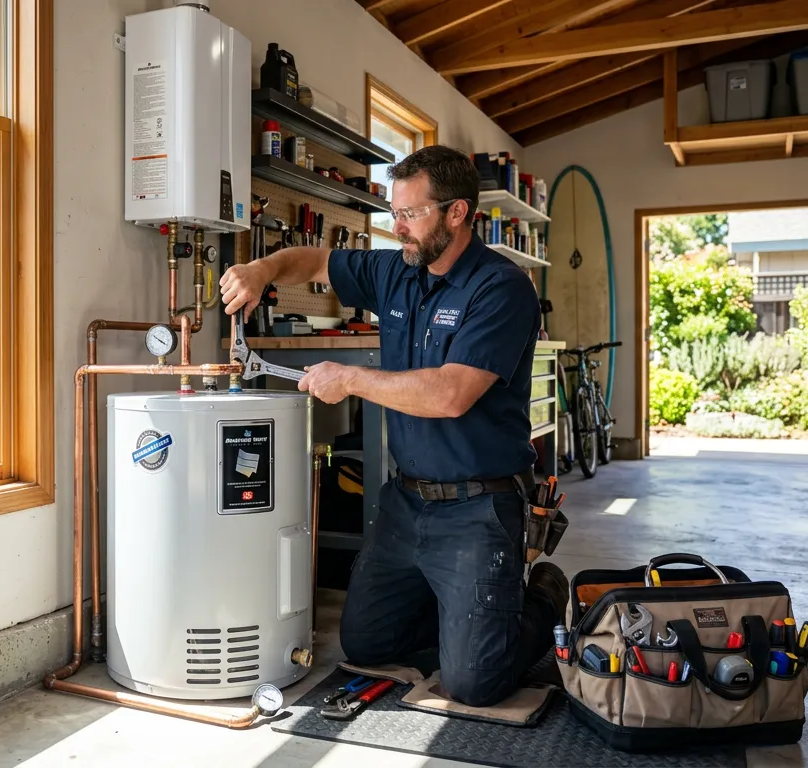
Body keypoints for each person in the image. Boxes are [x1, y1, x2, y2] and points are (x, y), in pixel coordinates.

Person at [220, 145, 568, 707]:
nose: (397, 227)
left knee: (474, 684)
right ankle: (465, 615)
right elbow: (316, 262)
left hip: (478, 508)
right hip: (406, 504)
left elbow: (452, 393)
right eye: (394, 213)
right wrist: (262, 270)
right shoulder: (397, 270)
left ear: (456, 213)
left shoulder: (501, 288)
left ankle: (543, 597)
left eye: (410, 214)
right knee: (366, 643)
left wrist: (351, 378)